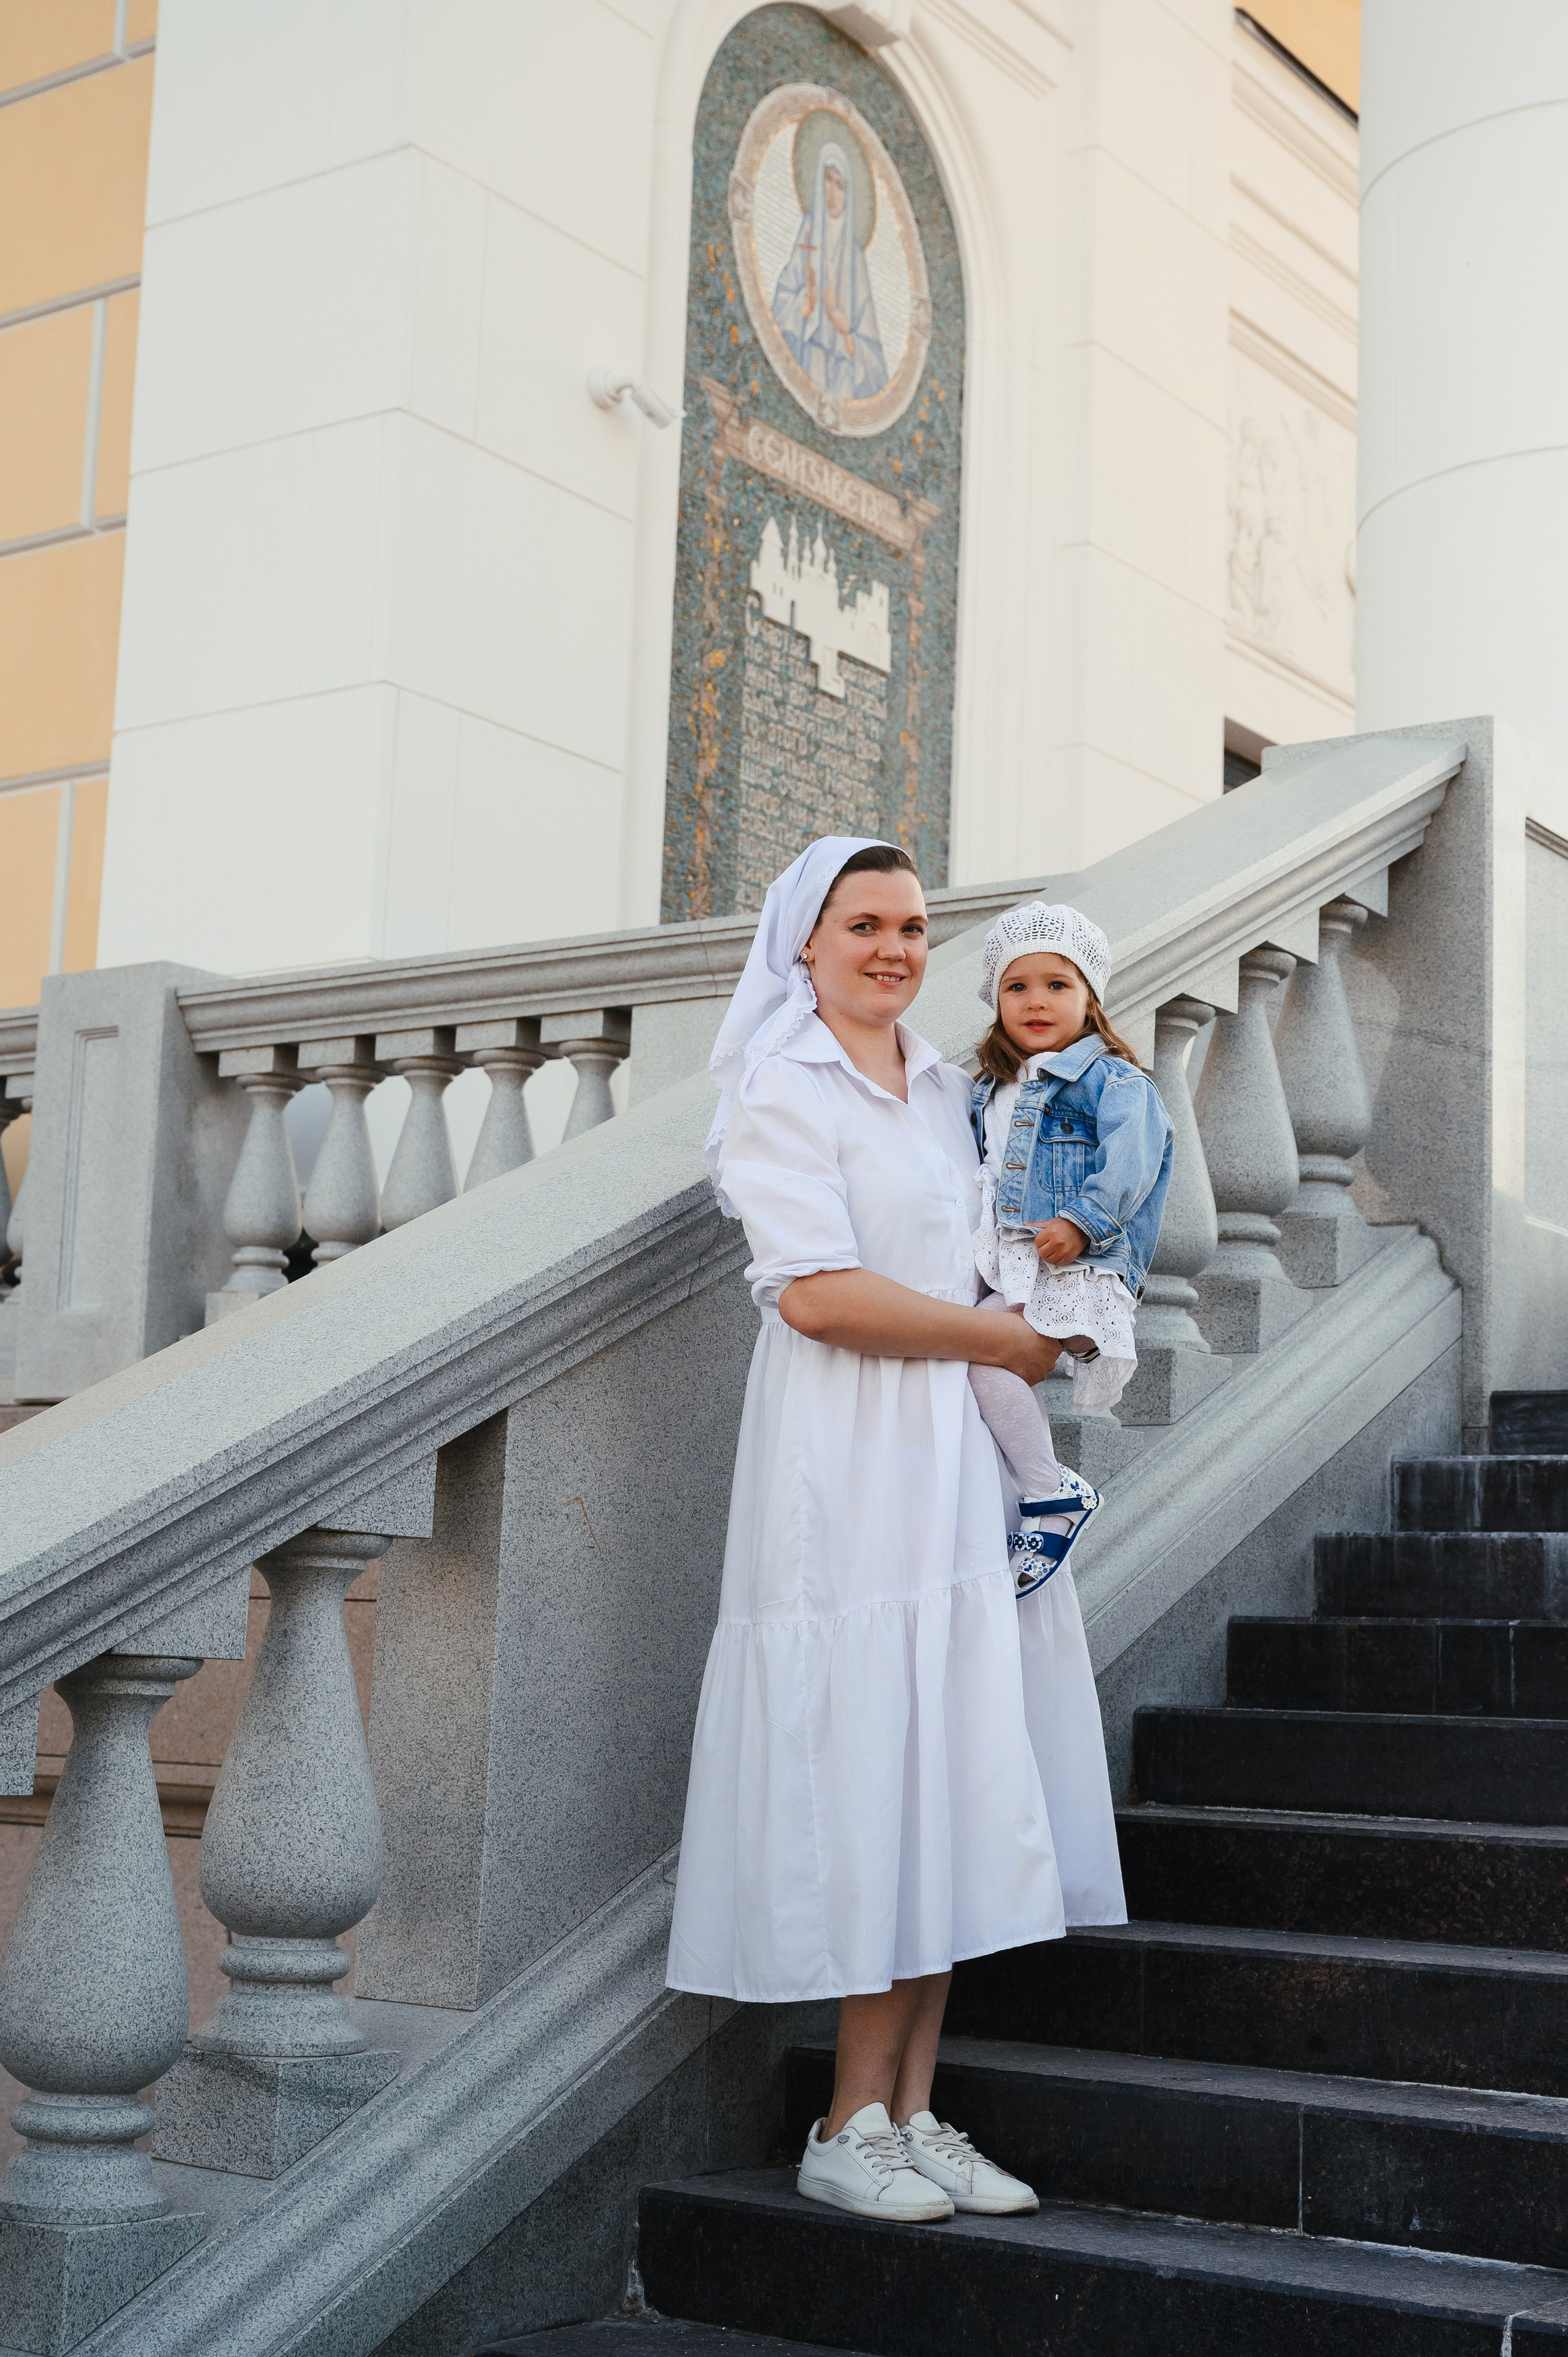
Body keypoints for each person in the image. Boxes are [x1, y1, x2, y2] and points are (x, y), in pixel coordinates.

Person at [666, 839, 1126, 2226]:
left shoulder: (944, 1083)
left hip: (955, 1450)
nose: (892, 948)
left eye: (914, 927)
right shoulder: (781, 1083)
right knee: (878, 1755)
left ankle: (913, 2111)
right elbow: (814, 1293)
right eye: (861, 923)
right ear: (802, 943)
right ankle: (845, 2122)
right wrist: (997, 1339)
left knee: (952, 1763)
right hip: (851, 1454)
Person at [965, 903, 1174, 1596]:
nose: (1036, 1001)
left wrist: (1082, 1222)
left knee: (982, 1357)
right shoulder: (989, 1088)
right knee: (981, 1364)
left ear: (1090, 998)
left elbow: (1134, 1160)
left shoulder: (1112, 1081)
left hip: (1073, 1262)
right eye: (1017, 986)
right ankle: (1042, 1484)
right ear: (996, 999)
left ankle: (1050, 1492)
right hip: (1016, 1263)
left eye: (1057, 984)